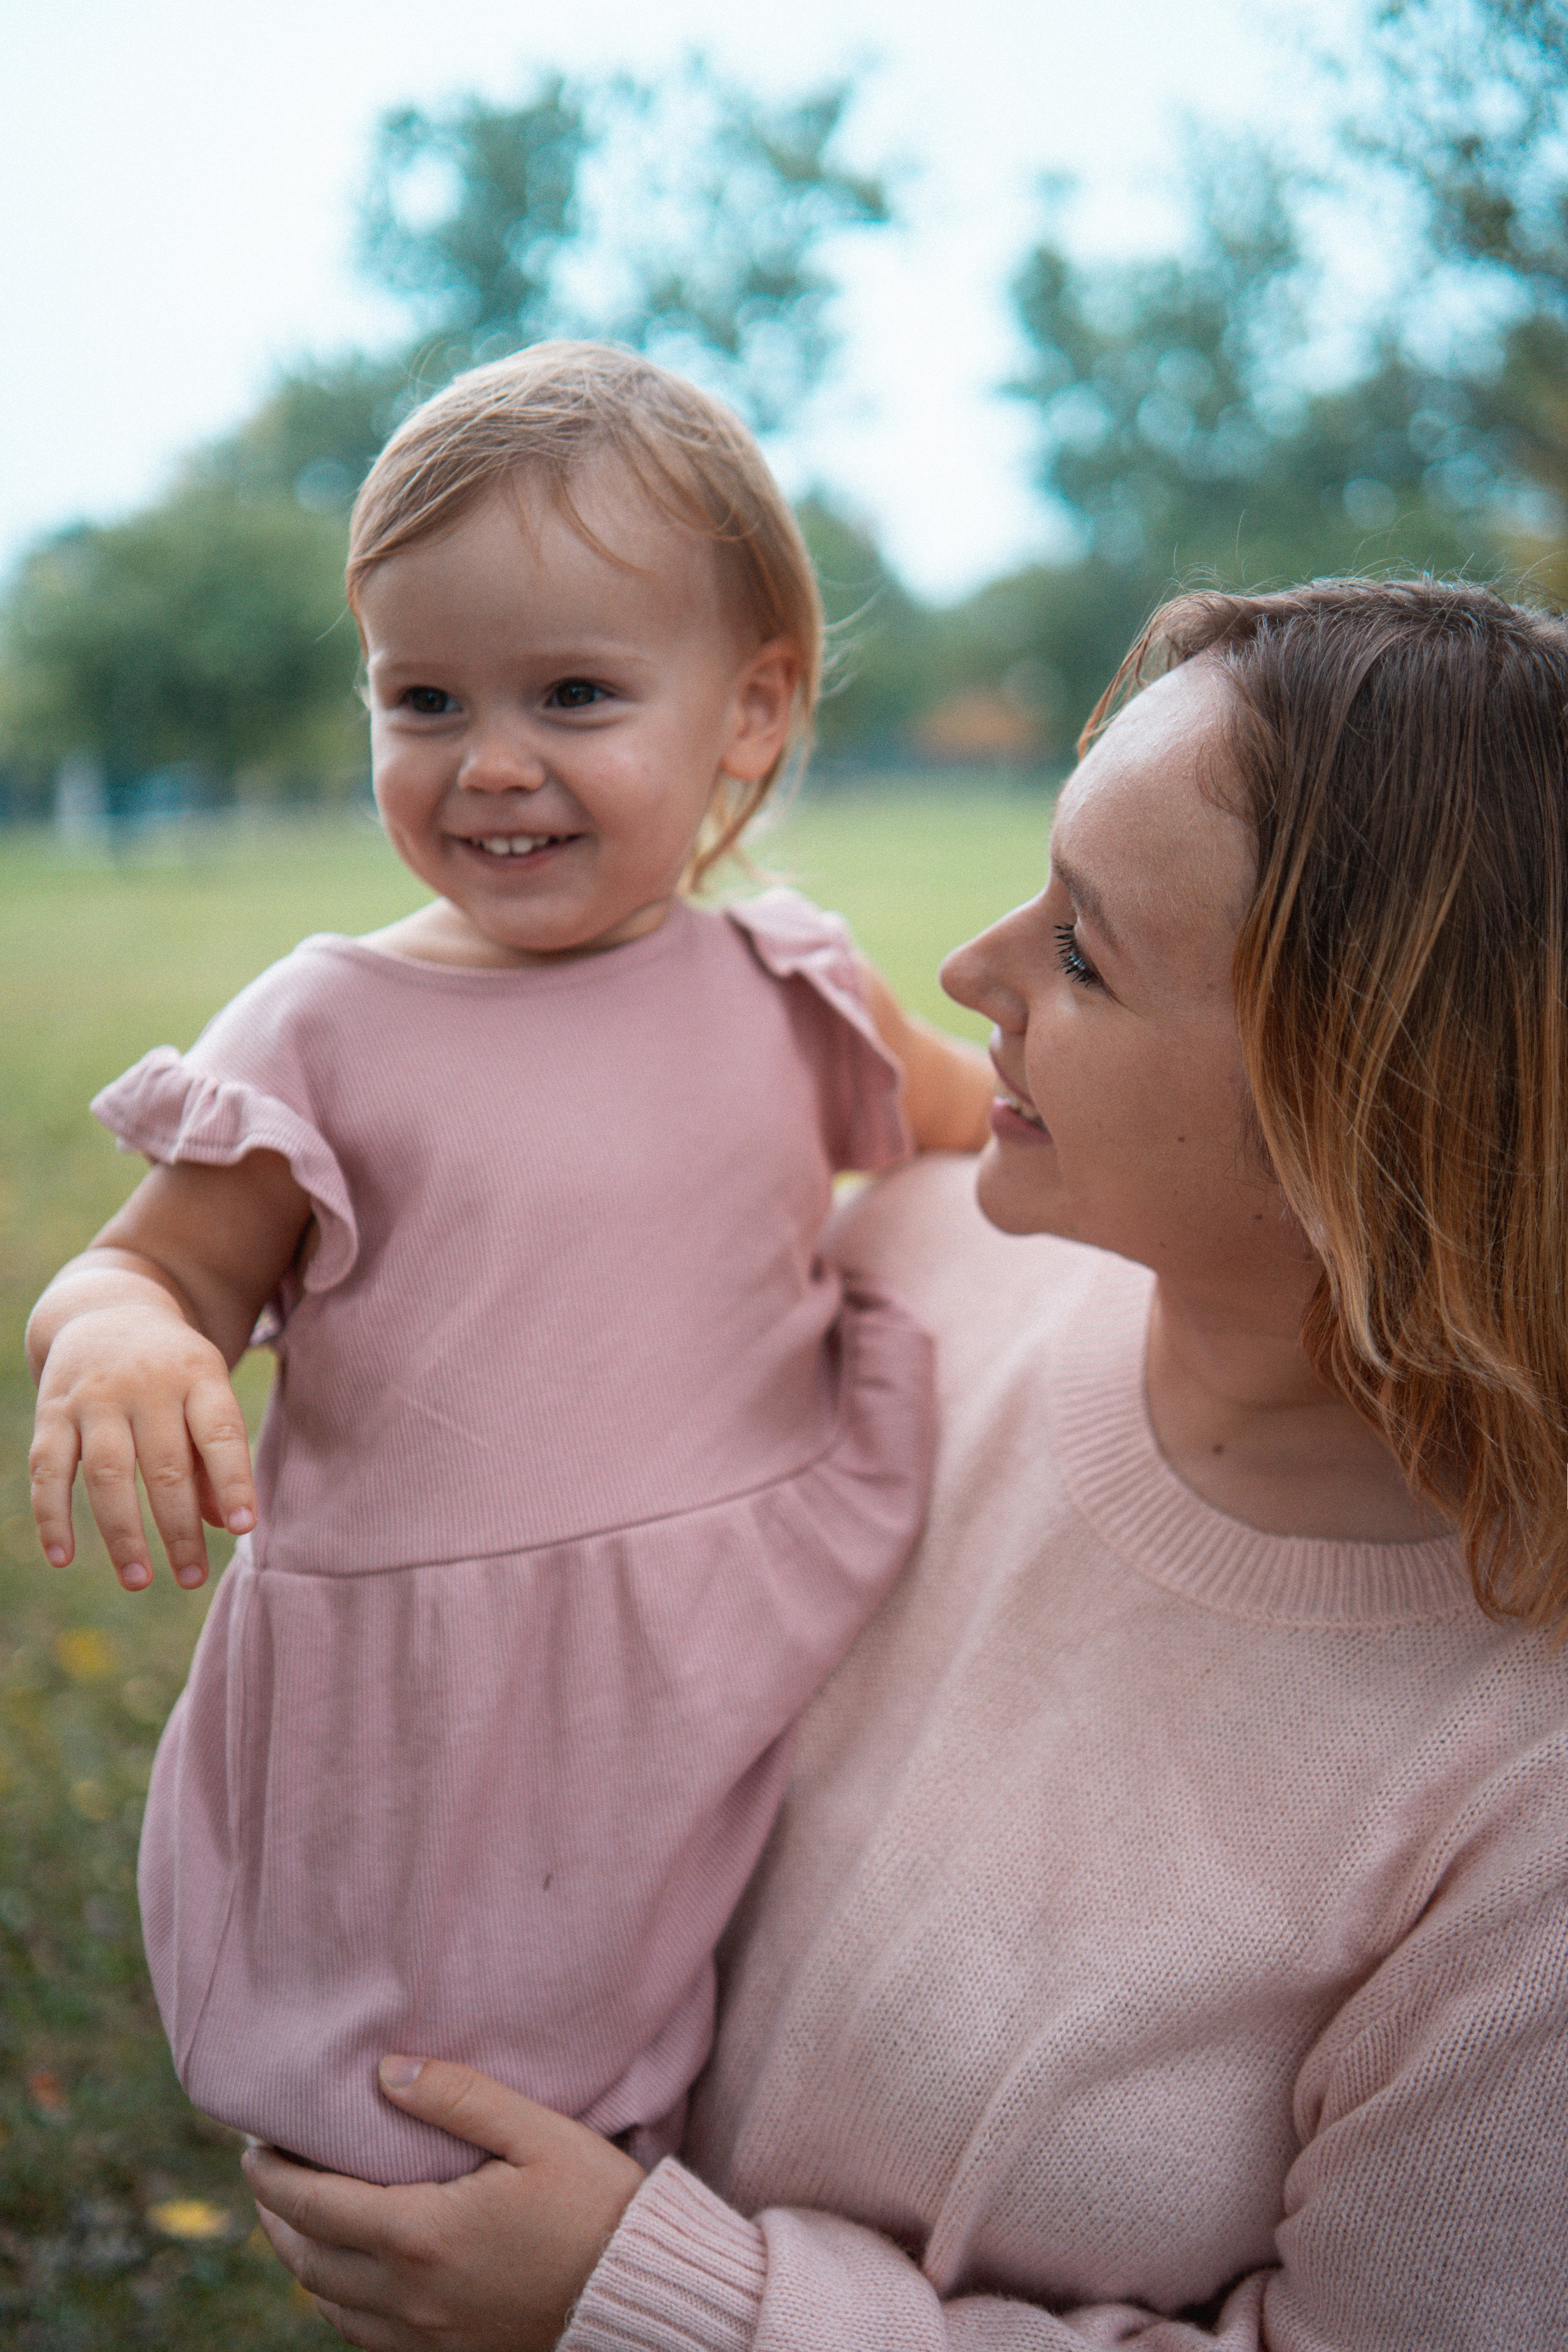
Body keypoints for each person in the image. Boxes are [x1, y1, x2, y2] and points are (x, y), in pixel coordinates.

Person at [243, 578, 1568, 2350]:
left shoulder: (1524, 1810)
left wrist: (654, 2303)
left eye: (1085, 951)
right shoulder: (904, 1267)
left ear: (1376, 1108)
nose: (969, 972)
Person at [24, 343, 995, 2188]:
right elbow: (140, 1270)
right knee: (421, 2130)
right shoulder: (328, 1026)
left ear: (751, 712)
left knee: (725, 2072)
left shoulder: (791, 986)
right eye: (424, 697)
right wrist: (122, 1339)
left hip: (734, 1644)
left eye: (572, 692)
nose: (490, 764)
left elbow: (987, 1118)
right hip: (438, 1715)